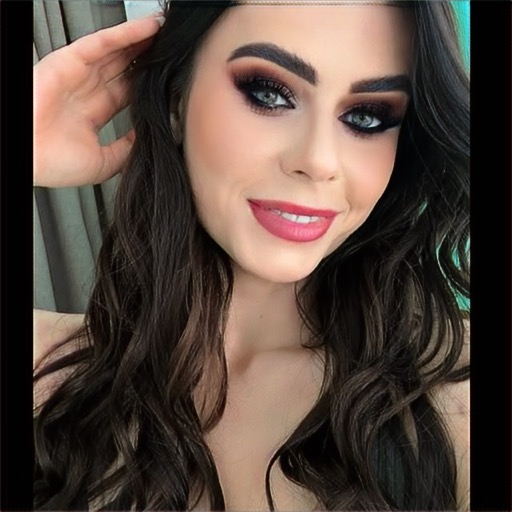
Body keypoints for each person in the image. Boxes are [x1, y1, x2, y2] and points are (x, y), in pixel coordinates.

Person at [33, 1, 470, 510]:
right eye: (269, 93)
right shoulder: (46, 370)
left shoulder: (454, 396)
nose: (318, 161)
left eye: (368, 116)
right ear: (175, 99)